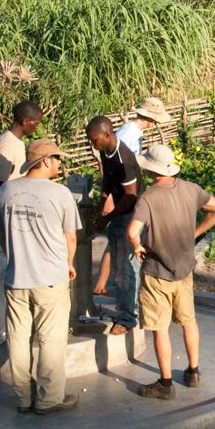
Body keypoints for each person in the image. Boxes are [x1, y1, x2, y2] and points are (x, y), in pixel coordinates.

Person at [125, 143, 215, 399]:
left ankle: (165, 383)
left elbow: (132, 232)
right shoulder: (190, 189)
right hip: (184, 268)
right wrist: (195, 232)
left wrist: (137, 246)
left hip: (157, 270)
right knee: (188, 321)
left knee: (161, 328)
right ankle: (193, 371)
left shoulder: (148, 197)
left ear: (149, 169)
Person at [0, 138, 80, 415]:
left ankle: (23, 398)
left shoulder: (6, 190)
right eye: (57, 159)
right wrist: (69, 263)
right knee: (51, 339)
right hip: (51, 277)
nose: (59, 164)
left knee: (17, 338)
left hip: (16, 276)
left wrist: (13, 258)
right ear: (45, 161)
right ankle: (49, 399)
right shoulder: (60, 193)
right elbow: (70, 236)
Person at [0, 100, 43, 346]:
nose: (37, 127)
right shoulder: (8, 145)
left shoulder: (15, 142)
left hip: (9, 219)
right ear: (25, 122)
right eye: (36, 123)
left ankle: (6, 329)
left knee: (9, 274)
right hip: (1, 220)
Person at [96, 98, 169, 294]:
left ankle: (103, 284)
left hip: (129, 190)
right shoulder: (127, 133)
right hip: (123, 193)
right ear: (151, 119)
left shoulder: (137, 132)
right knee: (121, 237)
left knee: (122, 237)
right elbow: (111, 165)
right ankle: (105, 284)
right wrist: (109, 197)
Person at [87, 116, 143, 335]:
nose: (93, 145)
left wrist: (108, 217)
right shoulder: (106, 151)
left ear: (107, 135)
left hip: (131, 216)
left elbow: (130, 196)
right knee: (119, 267)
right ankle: (123, 310)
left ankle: (129, 318)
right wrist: (101, 204)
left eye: (95, 140)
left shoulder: (124, 158)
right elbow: (108, 182)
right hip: (118, 213)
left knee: (129, 267)